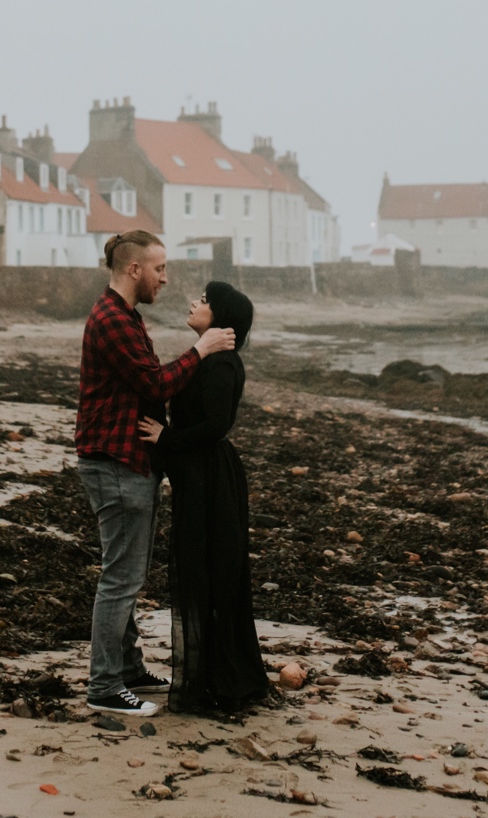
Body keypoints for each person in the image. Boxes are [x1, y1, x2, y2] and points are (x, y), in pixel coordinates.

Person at [77, 230, 235, 717]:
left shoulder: (124, 316)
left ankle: (127, 668)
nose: (166, 278)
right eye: (159, 269)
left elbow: (147, 384)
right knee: (121, 578)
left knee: (125, 573)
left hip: (125, 460)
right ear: (134, 270)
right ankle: (105, 685)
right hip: (116, 462)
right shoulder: (112, 320)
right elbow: (154, 382)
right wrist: (202, 351)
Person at [138, 280, 270, 714]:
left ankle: (220, 680)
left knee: (209, 575)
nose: (194, 302)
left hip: (213, 479)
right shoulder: (210, 360)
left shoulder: (221, 365)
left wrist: (165, 438)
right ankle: (216, 675)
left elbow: (216, 427)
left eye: (205, 301)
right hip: (204, 475)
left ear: (221, 318)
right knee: (204, 574)